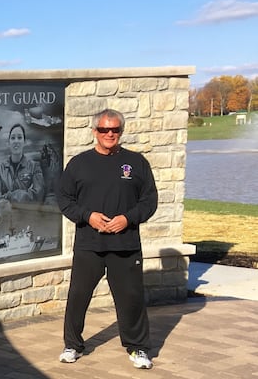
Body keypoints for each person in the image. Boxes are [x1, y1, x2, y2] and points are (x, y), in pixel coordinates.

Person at [56, 109, 158, 369]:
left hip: (125, 245)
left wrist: (128, 219)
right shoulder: (79, 163)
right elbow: (64, 200)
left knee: (131, 297)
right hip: (89, 244)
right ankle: (72, 345)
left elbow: (149, 201)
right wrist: (87, 216)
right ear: (95, 132)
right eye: (104, 129)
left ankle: (138, 349)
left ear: (121, 132)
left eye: (115, 130)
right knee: (78, 295)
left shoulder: (137, 163)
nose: (109, 134)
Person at [0, 123, 44, 203]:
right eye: (12, 138)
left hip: (26, 213)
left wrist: (8, 196)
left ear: (24, 142)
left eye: (19, 137)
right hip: (4, 213)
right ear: (8, 143)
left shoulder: (34, 167)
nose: (16, 141)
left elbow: (38, 194)